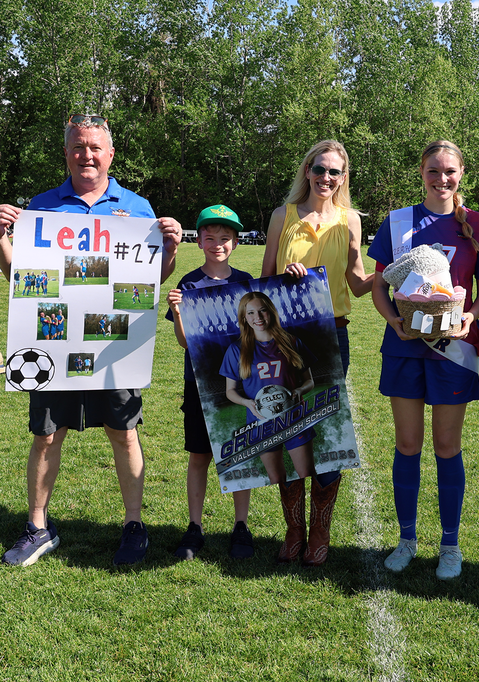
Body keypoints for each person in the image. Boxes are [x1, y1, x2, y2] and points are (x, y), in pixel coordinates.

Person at [0, 113, 181, 567]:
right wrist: (1, 236)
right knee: (47, 435)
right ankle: (38, 527)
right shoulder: (42, 205)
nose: (87, 154)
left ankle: (133, 525)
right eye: (78, 146)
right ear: (66, 152)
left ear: (111, 154)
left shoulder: (137, 208)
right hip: (53, 338)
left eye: (95, 147)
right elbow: (17, 275)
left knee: (124, 432)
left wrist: (169, 250)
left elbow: (149, 279)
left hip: (113, 341)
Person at [369, 140, 479, 580]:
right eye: (433, 171)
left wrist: (468, 319)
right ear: (420, 173)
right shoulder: (399, 222)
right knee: (407, 445)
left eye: (450, 172)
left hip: (454, 350)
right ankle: (406, 539)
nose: (442, 179)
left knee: (447, 447)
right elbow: (380, 286)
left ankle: (450, 545)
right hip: (404, 347)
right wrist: (393, 322)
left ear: (462, 173)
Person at [261, 139, 373, 566]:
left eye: (335, 172)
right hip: (284, 338)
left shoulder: (351, 220)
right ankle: (294, 529)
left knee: (324, 431)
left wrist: (394, 276)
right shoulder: (282, 216)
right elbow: (264, 277)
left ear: (343, 178)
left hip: (332, 337)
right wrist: (285, 280)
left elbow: (358, 281)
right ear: (307, 171)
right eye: (320, 169)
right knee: (287, 426)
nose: (326, 178)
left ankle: (320, 531)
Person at [165, 207, 257, 560]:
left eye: (224, 239)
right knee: (200, 455)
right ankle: (195, 527)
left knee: (240, 454)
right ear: (199, 240)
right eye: (210, 238)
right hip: (200, 382)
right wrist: (177, 314)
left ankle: (241, 525)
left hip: (240, 382)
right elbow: (186, 343)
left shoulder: (246, 281)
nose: (217, 244)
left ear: (235, 242)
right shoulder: (189, 283)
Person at [220, 291, 320, 561]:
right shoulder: (237, 349)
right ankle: (294, 532)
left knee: (305, 472)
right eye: (250, 312)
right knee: (277, 478)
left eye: (262, 310)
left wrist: (299, 390)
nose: (257, 317)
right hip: (261, 423)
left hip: (293, 420)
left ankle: (315, 535)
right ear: (243, 317)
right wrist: (248, 404)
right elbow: (230, 391)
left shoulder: (290, 341)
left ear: (271, 312)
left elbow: (309, 381)